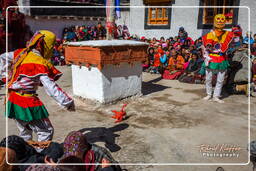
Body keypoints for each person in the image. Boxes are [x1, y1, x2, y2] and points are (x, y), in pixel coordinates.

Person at [0, 30, 75, 142]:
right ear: (45, 45)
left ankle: (25, 155)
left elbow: (3, 57)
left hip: (13, 98)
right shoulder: (38, 62)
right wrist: (67, 102)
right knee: (46, 131)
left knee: (25, 132)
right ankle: (39, 156)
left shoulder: (21, 53)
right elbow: (50, 87)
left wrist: (6, 77)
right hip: (27, 102)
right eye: (52, 45)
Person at [201, 14, 234, 103]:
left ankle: (216, 96)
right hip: (211, 59)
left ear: (225, 21)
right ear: (215, 21)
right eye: (218, 19)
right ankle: (209, 94)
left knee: (220, 79)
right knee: (208, 78)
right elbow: (206, 45)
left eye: (222, 19)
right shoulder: (210, 34)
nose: (220, 21)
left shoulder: (228, 34)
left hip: (222, 59)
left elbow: (236, 39)